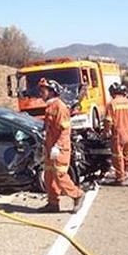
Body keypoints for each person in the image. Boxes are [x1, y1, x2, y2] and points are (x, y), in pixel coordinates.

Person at [37, 78, 85, 213]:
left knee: (60, 176)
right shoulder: (50, 107)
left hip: (60, 149)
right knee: (49, 176)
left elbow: (65, 130)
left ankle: (77, 195)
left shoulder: (60, 107)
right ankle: (53, 203)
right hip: (50, 148)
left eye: (43, 91)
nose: (41, 93)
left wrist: (57, 146)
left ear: (52, 92)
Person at [104, 83, 128, 186]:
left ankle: (121, 177)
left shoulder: (112, 104)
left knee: (118, 156)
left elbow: (108, 120)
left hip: (118, 134)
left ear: (113, 93)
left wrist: (106, 132)